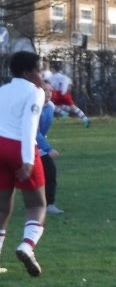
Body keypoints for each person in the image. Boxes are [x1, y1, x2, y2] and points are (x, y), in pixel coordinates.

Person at [0, 51, 48, 277]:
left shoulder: (3, 90)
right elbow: (29, 125)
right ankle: (27, 246)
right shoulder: (34, 92)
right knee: (37, 204)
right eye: (39, 70)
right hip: (19, 147)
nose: (42, 75)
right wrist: (28, 160)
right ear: (28, 73)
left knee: (2, 207)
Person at [35, 78, 63, 215]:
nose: (48, 93)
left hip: (37, 145)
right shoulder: (34, 107)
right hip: (24, 144)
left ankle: (48, 204)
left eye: (50, 90)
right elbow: (34, 131)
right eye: (45, 90)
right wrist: (48, 148)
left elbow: (41, 131)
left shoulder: (50, 106)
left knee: (49, 171)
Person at [46, 62, 90, 127]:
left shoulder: (51, 78)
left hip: (55, 94)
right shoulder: (65, 77)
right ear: (60, 69)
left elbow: (49, 85)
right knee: (73, 107)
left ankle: (63, 113)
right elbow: (69, 86)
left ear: (54, 69)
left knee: (51, 105)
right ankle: (85, 119)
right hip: (65, 94)